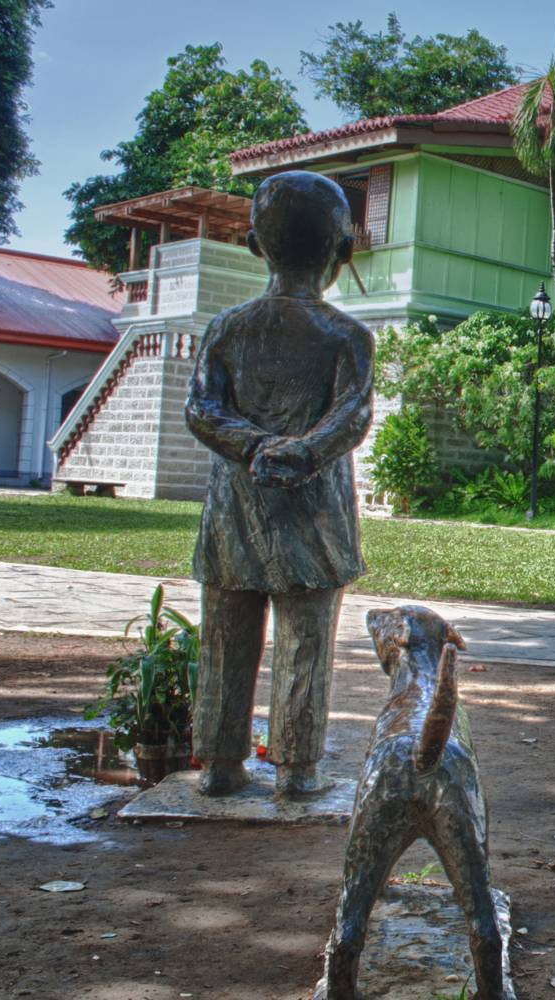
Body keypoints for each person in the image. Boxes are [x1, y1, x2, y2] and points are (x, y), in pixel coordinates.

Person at [185, 170, 374, 797]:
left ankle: (218, 764)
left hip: (235, 512)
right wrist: (298, 452)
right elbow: (354, 415)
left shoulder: (228, 328)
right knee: (306, 646)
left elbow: (203, 412)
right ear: (344, 251)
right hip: (314, 516)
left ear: (253, 246)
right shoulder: (348, 334)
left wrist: (254, 447)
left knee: (225, 642)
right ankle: (297, 769)